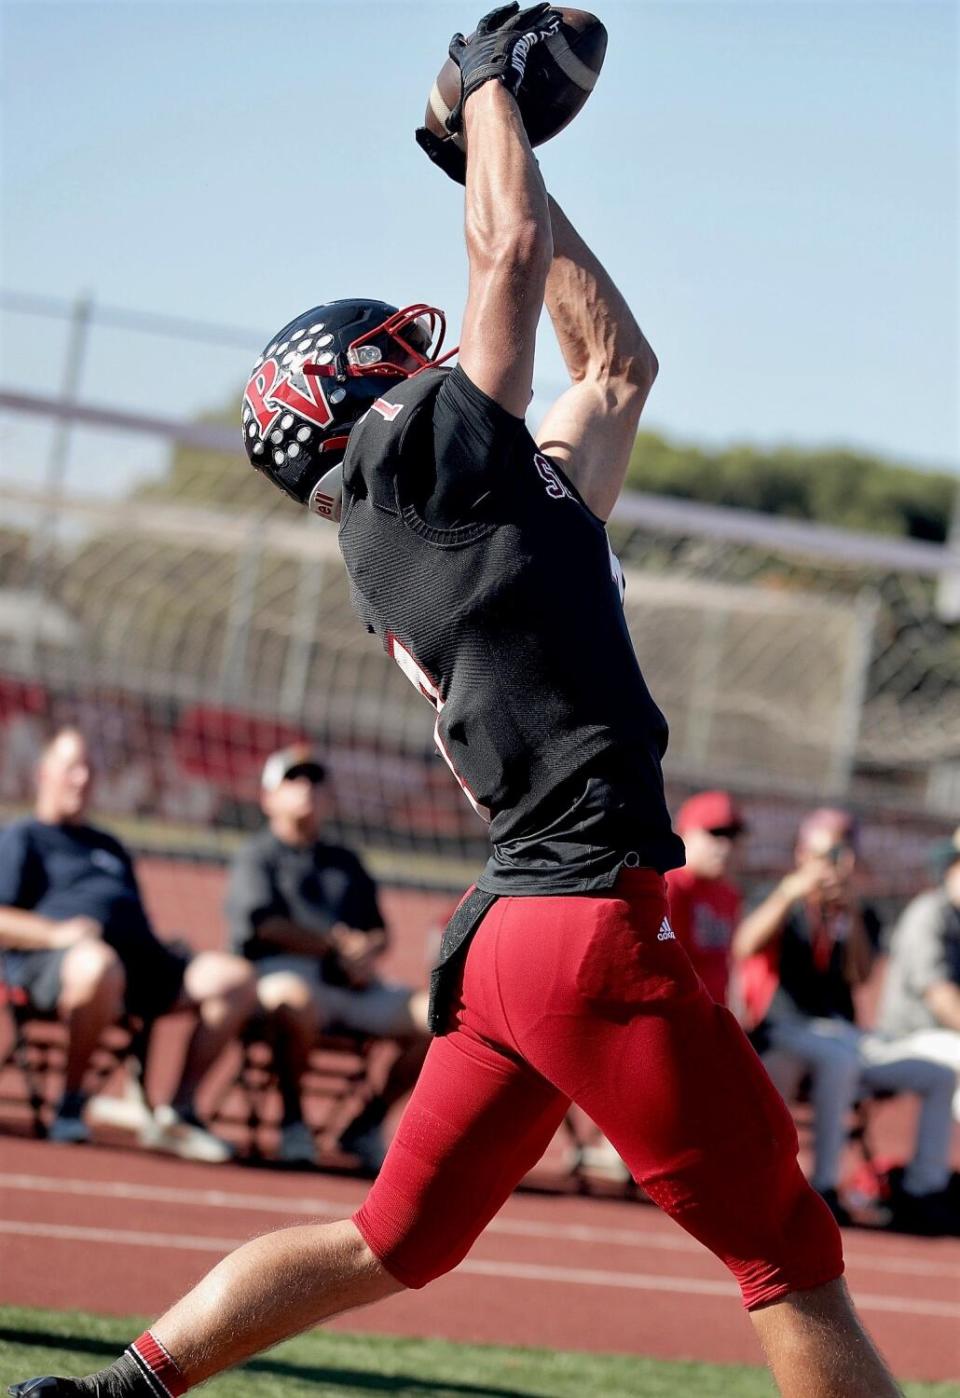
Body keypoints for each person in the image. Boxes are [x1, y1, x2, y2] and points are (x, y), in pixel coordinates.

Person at [10, 7, 903, 1395]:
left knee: (393, 1238)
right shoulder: (416, 467)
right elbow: (507, 254)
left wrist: (477, 155)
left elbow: (614, 367)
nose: (417, 353)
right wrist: (486, 89)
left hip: (509, 934)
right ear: (352, 394)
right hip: (578, 923)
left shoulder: (455, 507)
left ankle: (113, 1392)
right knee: (789, 1252)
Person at [0, 727, 256, 1160]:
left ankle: (177, 1112)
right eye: (71, 768)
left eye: (88, 769)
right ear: (44, 774)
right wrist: (55, 935)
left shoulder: (110, 845)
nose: (82, 779)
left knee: (233, 976)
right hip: (59, 965)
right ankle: (71, 1103)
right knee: (98, 966)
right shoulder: (23, 837)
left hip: (140, 966)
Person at [733, 807, 956, 1230]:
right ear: (803, 854)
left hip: (845, 1033)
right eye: (828, 854)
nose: (837, 865)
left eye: (845, 854)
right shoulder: (777, 896)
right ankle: (824, 1185)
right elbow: (745, 946)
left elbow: (862, 973)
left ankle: (924, 1189)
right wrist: (790, 895)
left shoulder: (857, 910)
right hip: (787, 1028)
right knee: (838, 1061)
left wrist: (849, 915)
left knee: (938, 1073)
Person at [226, 744, 430, 1171]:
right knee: (293, 998)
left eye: (316, 781)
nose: (307, 789)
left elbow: (378, 930)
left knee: (435, 1016)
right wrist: (332, 943)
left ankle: (366, 1124)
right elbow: (262, 925)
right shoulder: (256, 856)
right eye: (294, 780)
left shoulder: (345, 861)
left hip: (353, 983)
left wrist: (365, 954)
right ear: (268, 797)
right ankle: (294, 1121)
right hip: (284, 972)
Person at [877, 829, 960, 1122]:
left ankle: (929, 1169)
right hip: (906, 1037)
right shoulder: (930, 913)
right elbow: (940, 997)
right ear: (950, 869)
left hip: (944, 1036)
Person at [666, 789, 745, 1005]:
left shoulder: (729, 893)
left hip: (713, 1012)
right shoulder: (669, 886)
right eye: (715, 834)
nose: (725, 847)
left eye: (732, 836)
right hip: (679, 1011)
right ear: (684, 833)